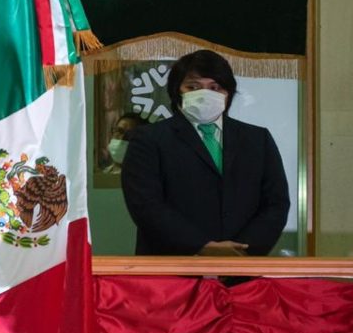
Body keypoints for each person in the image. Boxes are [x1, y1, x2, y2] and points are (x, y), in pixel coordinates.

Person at [121, 49, 289, 256]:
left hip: (241, 266)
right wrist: (202, 247)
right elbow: (146, 205)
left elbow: (276, 203)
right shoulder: (149, 139)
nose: (205, 94)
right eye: (193, 87)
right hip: (173, 264)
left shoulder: (257, 139)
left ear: (228, 93)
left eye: (215, 87)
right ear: (177, 91)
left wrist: (242, 250)